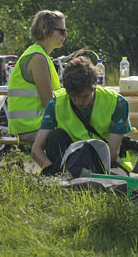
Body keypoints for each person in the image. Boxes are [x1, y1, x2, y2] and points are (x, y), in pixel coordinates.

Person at [30, 57, 129, 175]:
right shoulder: (55, 103)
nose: (79, 102)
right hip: (67, 163)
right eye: (73, 97)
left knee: (117, 183)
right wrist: (50, 170)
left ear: (95, 86)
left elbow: (112, 154)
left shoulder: (117, 103)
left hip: (105, 162)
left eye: (84, 96)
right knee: (55, 137)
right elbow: (36, 150)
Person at [8, 10, 71, 141]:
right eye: (61, 31)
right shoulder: (38, 58)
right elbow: (48, 102)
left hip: (33, 126)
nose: (65, 35)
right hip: (31, 127)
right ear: (45, 30)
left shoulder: (40, 54)